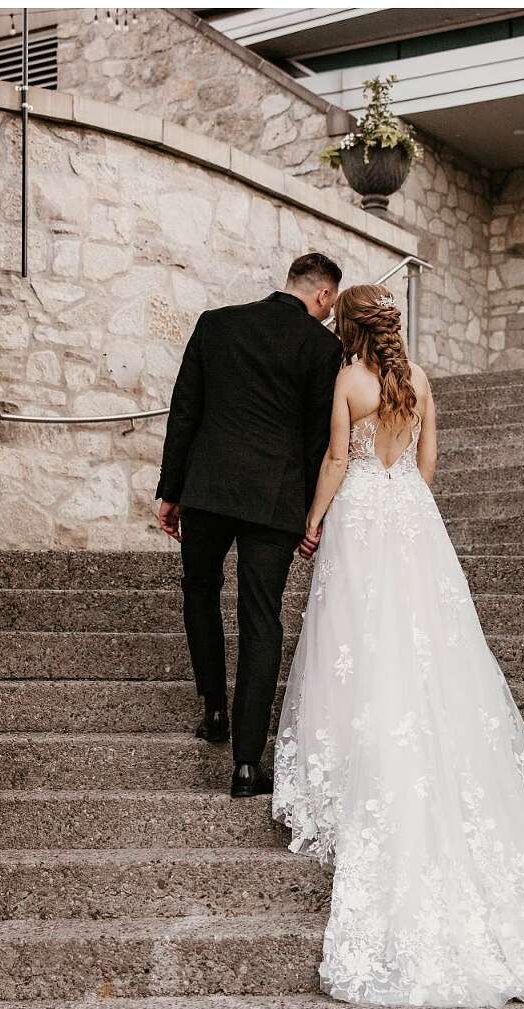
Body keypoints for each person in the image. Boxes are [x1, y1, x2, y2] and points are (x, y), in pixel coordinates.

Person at [270, 283, 524, 1007]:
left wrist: (315, 523)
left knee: (356, 640)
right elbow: (428, 461)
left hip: (359, 511)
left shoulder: (347, 380)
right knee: (424, 641)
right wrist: (408, 510)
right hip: (412, 515)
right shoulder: (416, 381)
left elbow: (331, 459)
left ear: (347, 328)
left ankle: (356, 763)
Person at [155, 253, 344, 799]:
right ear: (325, 296)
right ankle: (245, 766)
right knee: (261, 620)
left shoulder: (217, 324)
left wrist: (172, 491)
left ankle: (214, 707)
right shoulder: (322, 347)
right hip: (275, 498)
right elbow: (317, 439)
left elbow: (184, 409)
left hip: (208, 490)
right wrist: (313, 514)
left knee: (200, 590)